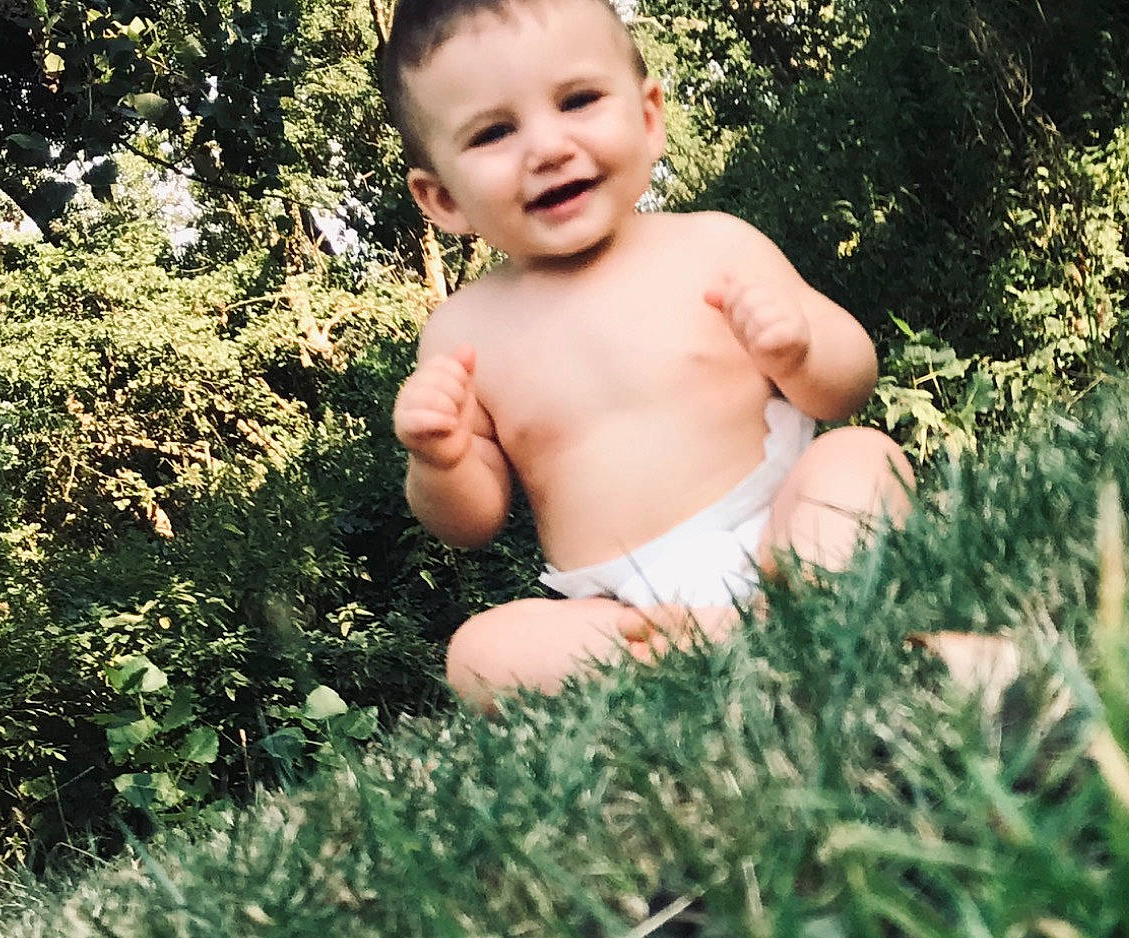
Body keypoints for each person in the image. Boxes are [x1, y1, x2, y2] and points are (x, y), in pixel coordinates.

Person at [376, 0, 913, 708]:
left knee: (860, 458)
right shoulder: (462, 332)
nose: (548, 148)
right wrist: (441, 460)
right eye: (495, 132)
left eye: (578, 100)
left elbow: (850, 383)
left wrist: (800, 352)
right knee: (479, 654)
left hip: (782, 519)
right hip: (629, 607)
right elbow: (470, 523)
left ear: (650, 116)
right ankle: (702, 644)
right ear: (443, 198)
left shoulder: (713, 243)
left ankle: (811, 596)